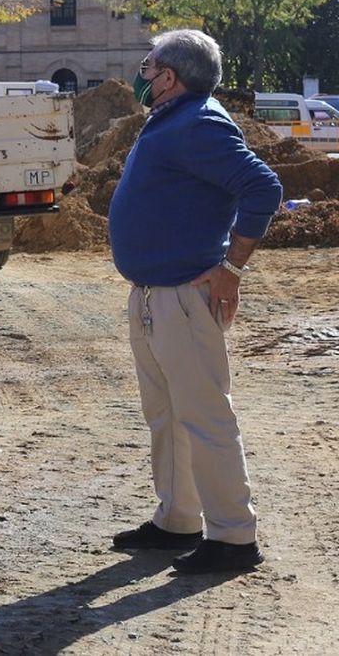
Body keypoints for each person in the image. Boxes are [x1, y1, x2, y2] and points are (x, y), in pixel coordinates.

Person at [107, 29, 281, 574]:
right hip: (156, 296)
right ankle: (177, 519)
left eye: (149, 63)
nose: (141, 71)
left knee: (203, 418)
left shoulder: (199, 122)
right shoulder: (172, 120)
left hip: (184, 298)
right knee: (166, 416)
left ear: (169, 77)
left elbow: (264, 188)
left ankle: (232, 536)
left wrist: (230, 269)